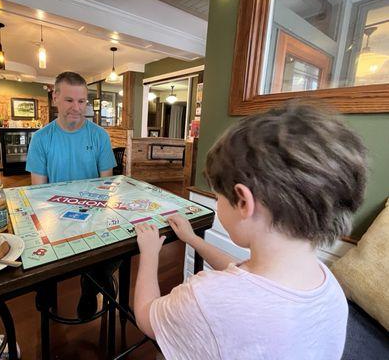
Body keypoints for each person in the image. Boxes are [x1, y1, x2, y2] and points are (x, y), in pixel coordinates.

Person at [134, 103, 367, 359]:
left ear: (243, 201)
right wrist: (192, 239)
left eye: (217, 195)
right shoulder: (328, 285)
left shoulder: (207, 299)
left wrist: (149, 254)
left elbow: (146, 316)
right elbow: (243, 276)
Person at [26, 71, 117, 318]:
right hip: (53, 215)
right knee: (36, 248)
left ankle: (90, 290)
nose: (77, 108)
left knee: (116, 250)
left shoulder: (100, 135)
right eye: (69, 100)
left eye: (81, 101)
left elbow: (106, 186)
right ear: (55, 97)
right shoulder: (41, 138)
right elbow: (38, 193)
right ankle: (46, 290)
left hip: (93, 212)